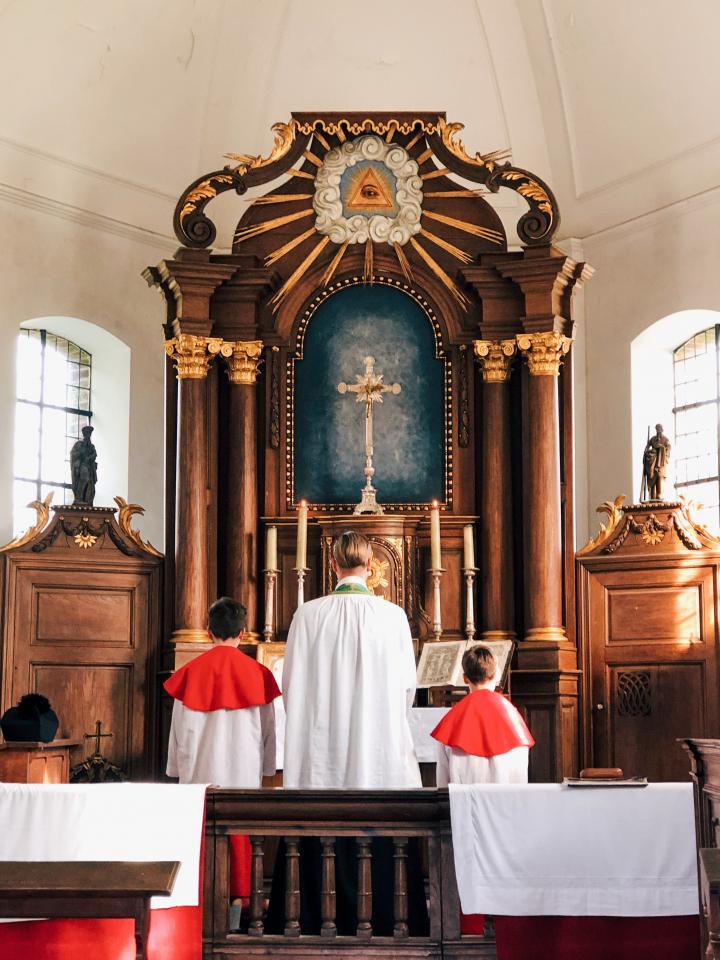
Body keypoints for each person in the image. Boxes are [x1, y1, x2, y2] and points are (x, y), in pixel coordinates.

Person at [269, 530, 425, 935]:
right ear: (370, 565)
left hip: (321, 761)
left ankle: (308, 921)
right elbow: (406, 690)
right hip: (377, 760)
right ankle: (389, 921)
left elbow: (292, 686)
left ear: (333, 564)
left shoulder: (307, 615)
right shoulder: (393, 617)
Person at [164, 597, 280, 915]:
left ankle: (200, 900)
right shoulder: (258, 674)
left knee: (202, 835)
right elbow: (268, 730)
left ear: (208, 630)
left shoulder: (190, 673)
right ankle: (241, 901)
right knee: (241, 834)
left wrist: (176, 768)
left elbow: (178, 730)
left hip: (199, 771)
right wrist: (268, 769)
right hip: (244, 770)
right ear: (242, 632)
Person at [431, 644, 534, 787]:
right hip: (505, 801)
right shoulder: (513, 718)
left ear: (465, 678)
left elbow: (443, 786)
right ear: (496, 675)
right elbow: (520, 780)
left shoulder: (451, 722)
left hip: (464, 802)